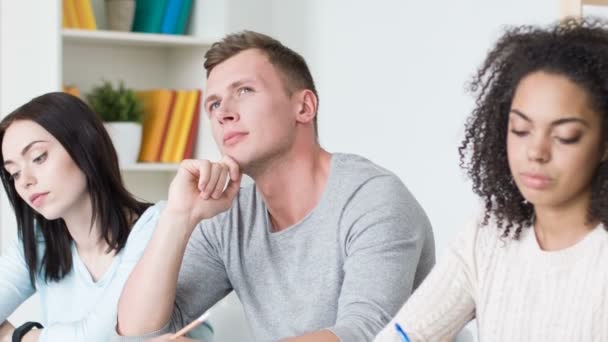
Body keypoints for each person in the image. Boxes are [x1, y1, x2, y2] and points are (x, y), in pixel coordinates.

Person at [116, 30, 436, 342]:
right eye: (213, 104)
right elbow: (140, 331)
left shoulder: (373, 198)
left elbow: (368, 332)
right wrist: (178, 217)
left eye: (244, 91)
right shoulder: (230, 216)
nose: (224, 113)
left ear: (304, 107)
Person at [374, 18, 608, 342]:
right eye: (521, 130)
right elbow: (407, 334)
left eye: (565, 136)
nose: (536, 152)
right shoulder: (488, 236)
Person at [0, 92, 212, 342]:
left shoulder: (158, 226)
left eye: (38, 157)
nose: (25, 181)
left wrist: (17, 337)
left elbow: (100, 336)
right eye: (13, 172)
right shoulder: (38, 242)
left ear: (85, 146)